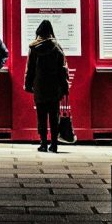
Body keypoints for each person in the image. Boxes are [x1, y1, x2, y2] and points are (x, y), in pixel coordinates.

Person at [23, 20, 69, 152]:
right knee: (54, 116)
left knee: (41, 116)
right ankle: (54, 144)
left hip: (40, 87)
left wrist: (27, 85)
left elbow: (30, 69)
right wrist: (64, 87)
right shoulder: (57, 47)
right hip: (55, 87)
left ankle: (43, 143)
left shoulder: (33, 48)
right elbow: (63, 69)